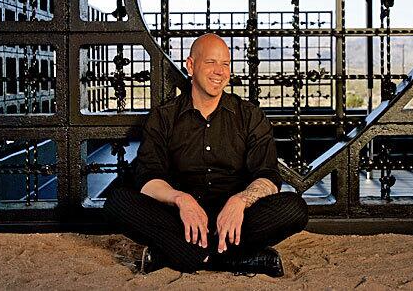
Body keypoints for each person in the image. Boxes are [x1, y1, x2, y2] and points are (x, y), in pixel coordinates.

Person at [104, 33, 308, 276]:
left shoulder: (250, 115)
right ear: (191, 66)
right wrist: (181, 200)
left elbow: (267, 176)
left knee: (295, 208)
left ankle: (182, 255)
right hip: (180, 219)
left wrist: (240, 201)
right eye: (211, 62)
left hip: (236, 220)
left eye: (225, 64)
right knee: (117, 203)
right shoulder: (164, 117)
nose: (219, 72)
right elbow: (148, 178)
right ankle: (233, 259)